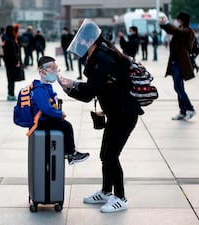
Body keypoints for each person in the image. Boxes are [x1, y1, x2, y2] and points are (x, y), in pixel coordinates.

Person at [58, 19, 143, 213]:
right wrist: (70, 88)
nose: (78, 43)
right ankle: (106, 191)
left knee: (111, 155)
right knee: (105, 154)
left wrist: (73, 84)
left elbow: (93, 89)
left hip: (124, 114)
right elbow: (91, 93)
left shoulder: (102, 58)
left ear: (90, 40)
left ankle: (120, 198)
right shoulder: (98, 55)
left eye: (81, 39)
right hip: (116, 113)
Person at [31, 56, 90, 165]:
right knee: (66, 126)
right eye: (52, 68)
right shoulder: (39, 89)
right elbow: (46, 108)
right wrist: (59, 114)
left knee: (63, 125)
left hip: (44, 119)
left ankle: (65, 151)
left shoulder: (45, 86)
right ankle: (71, 153)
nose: (55, 71)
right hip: (41, 122)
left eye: (56, 68)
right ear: (42, 72)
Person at [160, 12, 196, 121]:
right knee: (179, 87)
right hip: (175, 62)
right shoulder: (180, 30)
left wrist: (167, 23)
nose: (177, 21)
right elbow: (172, 30)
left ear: (183, 20)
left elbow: (176, 31)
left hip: (181, 64)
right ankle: (183, 111)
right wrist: (164, 25)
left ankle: (190, 109)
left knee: (178, 87)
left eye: (179, 19)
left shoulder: (187, 31)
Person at [3, 25, 22, 101]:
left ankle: (10, 94)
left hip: (8, 63)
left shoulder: (7, 39)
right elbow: (13, 53)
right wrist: (16, 61)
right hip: (12, 63)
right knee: (11, 79)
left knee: (10, 79)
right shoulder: (10, 40)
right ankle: (11, 94)